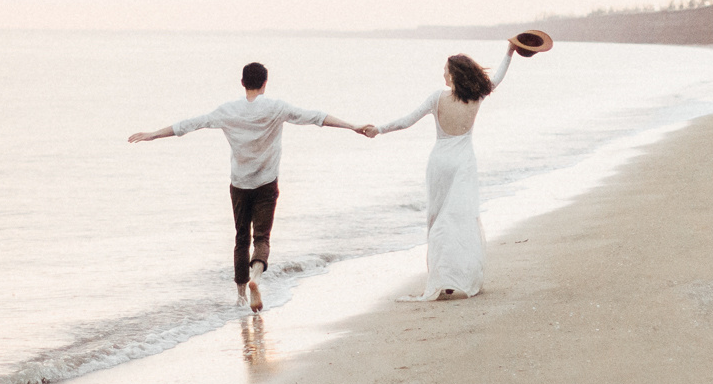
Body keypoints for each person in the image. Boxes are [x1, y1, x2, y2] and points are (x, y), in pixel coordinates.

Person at [128, 62, 374, 311]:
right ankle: (256, 278)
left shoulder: (227, 111)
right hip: (266, 183)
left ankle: (241, 296)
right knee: (262, 238)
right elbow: (316, 117)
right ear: (265, 83)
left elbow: (189, 124)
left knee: (241, 238)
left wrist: (153, 134)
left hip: (239, 184)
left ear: (242, 83)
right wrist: (353, 126)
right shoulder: (276, 107)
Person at [375, 39, 519, 300]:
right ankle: (460, 276)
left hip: (440, 164)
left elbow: (406, 121)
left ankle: (443, 279)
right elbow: (498, 77)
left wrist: (379, 129)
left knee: (438, 220)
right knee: (462, 219)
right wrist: (509, 52)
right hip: (463, 163)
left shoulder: (437, 98)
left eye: (445, 70)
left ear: (453, 74)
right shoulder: (476, 96)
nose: (443, 73)